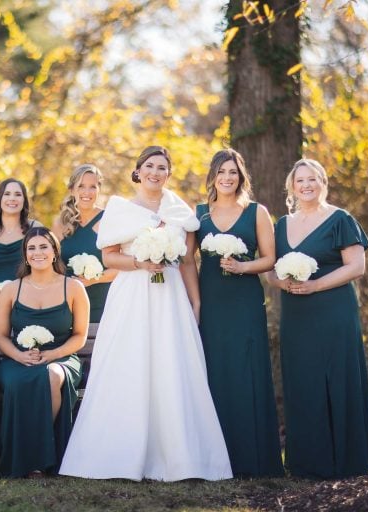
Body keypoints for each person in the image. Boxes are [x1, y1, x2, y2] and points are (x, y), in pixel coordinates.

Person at [59, 145, 233, 481]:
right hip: (132, 295)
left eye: (162, 167)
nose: (155, 172)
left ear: (169, 173)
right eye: (150, 166)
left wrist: (195, 301)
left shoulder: (181, 211)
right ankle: (117, 454)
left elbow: (186, 262)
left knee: (172, 365)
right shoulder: (120, 209)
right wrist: (140, 262)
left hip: (170, 297)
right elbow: (109, 257)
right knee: (129, 364)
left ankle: (180, 458)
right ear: (137, 171)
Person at [267, 158, 368, 479]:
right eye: (300, 180)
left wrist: (315, 285)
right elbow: (271, 270)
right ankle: (307, 463)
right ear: (291, 186)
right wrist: (281, 281)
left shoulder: (340, 219)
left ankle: (347, 460)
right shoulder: (281, 226)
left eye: (312, 179)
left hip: (334, 309)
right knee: (303, 379)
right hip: (296, 313)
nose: (306, 185)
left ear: (323, 182)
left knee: (337, 376)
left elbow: (356, 266)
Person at [195, 149, 284, 477]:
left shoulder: (256, 212)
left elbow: (270, 258)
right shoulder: (200, 214)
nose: (227, 178)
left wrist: (243, 266)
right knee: (214, 370)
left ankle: (253, 458)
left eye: (233, 172)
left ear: (241, 176)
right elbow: (186, 258)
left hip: (245, 301)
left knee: (247, 370)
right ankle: (214, 459)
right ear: (213, 176)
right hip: (211, 302)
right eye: (222, 172)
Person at [0, 226, 90, 478]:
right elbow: (2, 336)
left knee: (51, 377)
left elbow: (80, 336)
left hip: (61, 356)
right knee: (20, 382)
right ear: (25, 255)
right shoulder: (11, 290)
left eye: (43, 247)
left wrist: (53, 354)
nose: (38, 252)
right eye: (31, 248)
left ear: (54, 251)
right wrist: (18, 356)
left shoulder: (74, 288)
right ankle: (33, 454)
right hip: (18, 360)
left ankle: (34, 454)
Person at [53, 164, 117, 322]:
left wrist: (93, 278)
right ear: (72, 189)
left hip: (103, 305)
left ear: (99, 190)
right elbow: (51, 264)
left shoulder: (109, 220)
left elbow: (120, 268)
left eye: (92, 187)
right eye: (81, 186)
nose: (87, 193)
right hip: (67, 304)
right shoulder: (60, 223)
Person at [0, 178, 39, 283]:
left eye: (18, 194)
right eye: (7, 194)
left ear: (24, 200)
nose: (12, 198)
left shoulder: (35, 228)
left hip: (28, 296)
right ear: (0, 199)